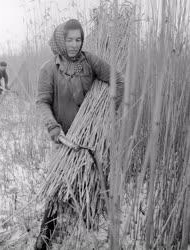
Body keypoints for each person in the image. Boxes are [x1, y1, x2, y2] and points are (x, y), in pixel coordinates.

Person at [35, 19, 124, 249]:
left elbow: (118, 80)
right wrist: (54, 128)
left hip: (90, 137)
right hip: (64, 137)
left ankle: (87, 216)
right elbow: (43, 102)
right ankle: (47, 227)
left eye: (78, 39)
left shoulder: (90, 61)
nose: (74, 44)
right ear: (60, 40)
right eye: (69, 39)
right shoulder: (48, 68)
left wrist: (107, 115)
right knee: (57, 183)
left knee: (89, 177)